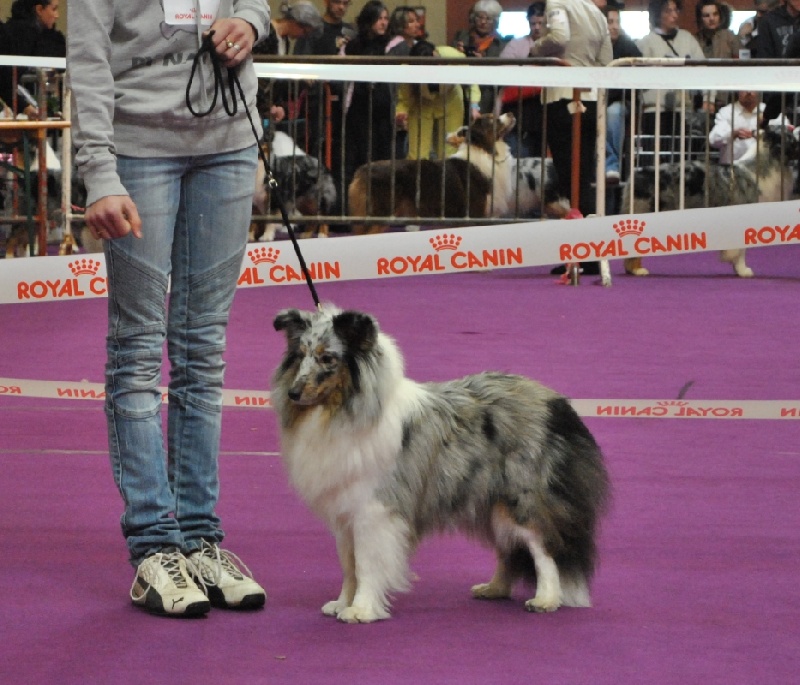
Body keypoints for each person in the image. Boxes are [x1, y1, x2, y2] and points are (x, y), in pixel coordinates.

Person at [68, 0, 269, 617]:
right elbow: (89, 60)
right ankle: (156, 544)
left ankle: (200, 537)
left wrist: (252, 24)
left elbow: (254, 3)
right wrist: (99, 173)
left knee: (203, 349)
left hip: (230, 142)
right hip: (138, 152)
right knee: (136, 351)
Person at [529, 0, 612, 218]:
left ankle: (577, 232)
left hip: (562, 96)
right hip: (592, 98)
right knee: (584, 173)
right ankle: (590, 229)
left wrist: (536, 48)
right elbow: (606, 61)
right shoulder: (596, 12)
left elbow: (559, 37)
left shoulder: (557, 2)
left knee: (567, 173)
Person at [293, 0, 355, 215]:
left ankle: (338, 209)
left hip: (344, 106)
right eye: (338, 2)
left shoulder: (351, 31)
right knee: (314, 155)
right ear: (327, 2)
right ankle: (308, 209)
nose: (341, 7)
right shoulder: (313, 30)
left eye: (346, 3)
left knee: (341, 156)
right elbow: (299, 62)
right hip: (316, 104)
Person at [636, 0, 707, 150]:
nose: (674, 15)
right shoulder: (646, 42)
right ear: (657, 14)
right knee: (657, 154)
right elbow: (640, 76)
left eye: (676, 10)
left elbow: (703, 68)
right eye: (668, 11)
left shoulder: (687, 38)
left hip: (684, 109)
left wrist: (707, 99)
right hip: (655, 109)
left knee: (685, 155)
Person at [395, 41, 481, 160]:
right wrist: (401, 112)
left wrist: (474, 105)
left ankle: (448, 179)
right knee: (417, 156)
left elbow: (470, 80)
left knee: (450, 152)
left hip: (451, 104)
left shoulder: (452, 56)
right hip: (421, 105)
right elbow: (404, 97)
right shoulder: (407, 68)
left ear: (435, 53)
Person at [342, 0, 394, 190]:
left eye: (386, 18)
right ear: (369, 19)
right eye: (379, 18)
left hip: (383, 110)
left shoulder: (391, 45)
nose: (383, 23)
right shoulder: (353, 46)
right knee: (359, 158)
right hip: (359, 108)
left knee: (382, 159)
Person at [252, 1, 324, 128]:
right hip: (254, 98)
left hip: (263, 100)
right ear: (296, 23)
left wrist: (275, 104)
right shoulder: (266, 35)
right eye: (305, 32)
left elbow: (275, 79)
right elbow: (256, 76)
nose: (303, 36)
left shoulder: (284, 40)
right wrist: (268, 105)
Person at [497, 2, 546, 158]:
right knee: (518, 160)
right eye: (533, 23)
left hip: (544, 113)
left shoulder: (557, 45)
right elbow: (502, 69)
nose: (537, 27)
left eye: (540, 23)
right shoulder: (516, 45)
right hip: (519, 112)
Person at [0, 0, 65, 117]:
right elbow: (6, 82)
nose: (57, 15)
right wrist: (26, 107)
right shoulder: (24, 36)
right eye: (54, 9)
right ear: (39, 10)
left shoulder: (19, 31)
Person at [604, 2, 642, 182]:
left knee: (612, 113)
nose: (614, 26)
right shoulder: (595, 45)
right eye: (610, 22)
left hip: (622, 100)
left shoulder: (628, 46)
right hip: (597, 99)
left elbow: (642, 77)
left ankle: (611, 165)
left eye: (617, 22)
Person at [452, 0, 507, 116]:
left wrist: (484, 61)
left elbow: (502, 70)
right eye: (479, 18)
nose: (483, 22)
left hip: (487, 93)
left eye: (488, 19)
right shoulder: (462, 36)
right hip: (461, 88)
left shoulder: (501, 43)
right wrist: (457, 52)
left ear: (495, 21)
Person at [708, 90, 785, 164]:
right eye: (745, 88)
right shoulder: (726, 112)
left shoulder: (771, 111)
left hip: (764, 172)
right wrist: (733, 134)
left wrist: (764, 135)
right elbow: (713, 140)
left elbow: (786, 136)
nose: (748, 92)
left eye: (752, 87)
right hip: (732, 171)